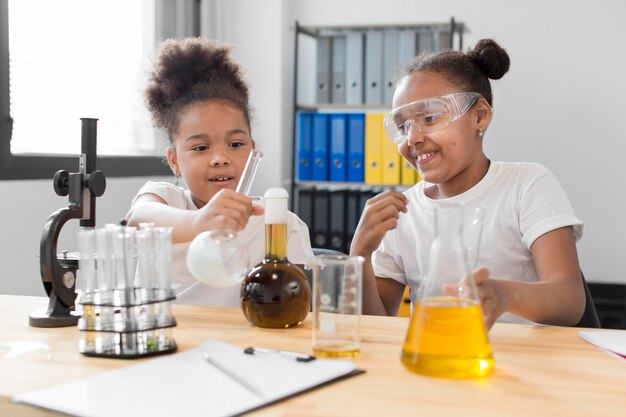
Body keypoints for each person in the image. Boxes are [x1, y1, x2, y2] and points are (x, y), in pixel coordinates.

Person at [350, 39, 585, 328]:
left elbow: (569, 300)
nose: (411, 138)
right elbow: (378, 325)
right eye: (402, 127)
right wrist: (360, 256)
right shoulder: (401, 212)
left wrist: (504, 295)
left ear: (479, 116)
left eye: (429, 117)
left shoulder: (526, 184)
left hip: (525, 365)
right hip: (437, 360)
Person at [125, 37, 313, 307]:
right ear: (174, 161)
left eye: (235, 144)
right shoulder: (166, 199)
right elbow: (137, 221)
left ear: (252, 150)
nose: (220, 158)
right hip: (166, 342)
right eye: (200, 147)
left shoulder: (277, 223)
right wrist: (200, 222)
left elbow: (293, 306)